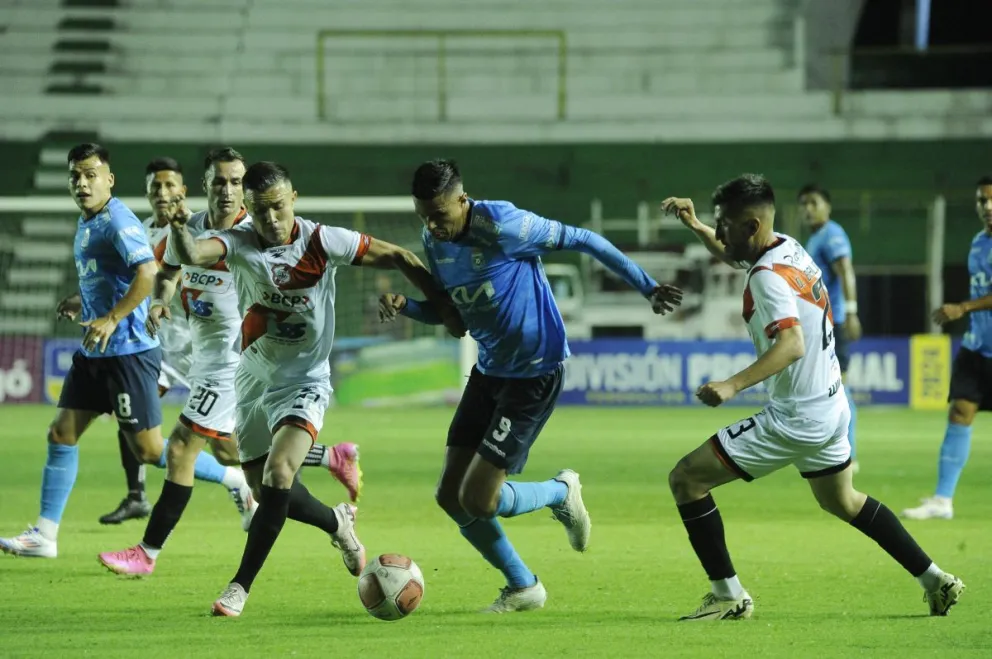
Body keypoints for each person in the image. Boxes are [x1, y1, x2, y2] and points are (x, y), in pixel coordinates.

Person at [378, 159, 683, 613]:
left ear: (463, 200)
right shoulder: (433, 240)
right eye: (424, 215)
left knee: (478, 498)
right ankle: (524, 586)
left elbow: (584, 239)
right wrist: (406, 306)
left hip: (534, 374)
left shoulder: (504, 224)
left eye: (439, 214)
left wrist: (646, 286)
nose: (432, 225)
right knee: (449, 495)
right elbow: (456, 317)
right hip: (489, 371)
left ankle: (562, 492)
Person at [663, 174, 964, 621]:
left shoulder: (766, 278)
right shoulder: (786, 247)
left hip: (795, 417)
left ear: (751, 226)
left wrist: (732, 384)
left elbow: (792, 344)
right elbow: (733, 253)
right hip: (830, 405)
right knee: (843, 501)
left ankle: (728, 595)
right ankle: (934, 579)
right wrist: (698, 227)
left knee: (687, 479)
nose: (719, 230)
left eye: (724, 223)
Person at [166, 161, 450, 617]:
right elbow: (189, 253)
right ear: (247, 209)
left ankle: (239, 587)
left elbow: (397, 255)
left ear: (293, 198)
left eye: (278, 207)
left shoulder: (321, 240)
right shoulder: (237, 243)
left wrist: (443, 306)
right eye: (260, 211)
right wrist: (180, 227)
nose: (272, 219)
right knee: (265, 489)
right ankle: (338, 522)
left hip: (305, 382)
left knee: (280, 472)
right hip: (252, 379)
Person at [98, 149, 363, 575]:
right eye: (218, 181)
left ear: (246, 190)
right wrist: (161, 302)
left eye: (235, 182)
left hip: (234, 365)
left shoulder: (250, 237)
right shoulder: (194, 233)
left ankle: (146, 553)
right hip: (199, 361)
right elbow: (168, 268)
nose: (226, 189)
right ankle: (335, 507)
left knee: (181, 447)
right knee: (232, 456)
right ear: (203, 185)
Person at [0, 144, 217, 558]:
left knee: (152, 451)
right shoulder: (88, 221)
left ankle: (235, 482)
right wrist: (83, 302)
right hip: (94, 352)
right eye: (75, 176)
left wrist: (113, 317)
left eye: (90, 174)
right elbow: (109, 278)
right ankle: (45, 535)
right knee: (61, 434)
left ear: (109, 179)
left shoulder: (117, 220)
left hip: (129, 353)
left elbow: (149, 274)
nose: (82, 183)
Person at [99, 156, 194, 525]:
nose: (163, 192)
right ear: (147, 193)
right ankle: (136, 495)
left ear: (183, 191)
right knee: (131, 416)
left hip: (197, 347)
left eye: (170, 185)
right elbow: (128, 282)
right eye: (156, 186)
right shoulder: (138, 230)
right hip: (156, 347)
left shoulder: (195, 230)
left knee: (228, 443)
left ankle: (319, 458)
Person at [903, 175, 992, 520]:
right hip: (977, 347)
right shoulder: (977, 243)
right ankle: (943, 501)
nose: (987, 207)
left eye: (991, 199)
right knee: (959, 413)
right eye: (981, 201)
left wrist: (964, 308)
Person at [799, 184, 861, 472]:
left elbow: (845, 269)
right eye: (804, 204)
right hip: (823, 322)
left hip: (834, 323)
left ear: (828, 206)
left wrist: (851, 311)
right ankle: (836, 451)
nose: (808, 209)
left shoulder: (832, 234)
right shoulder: (816, 238)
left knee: (838, 389)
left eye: (813, 202)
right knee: (826, 389)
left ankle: (848, 454)